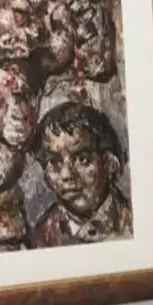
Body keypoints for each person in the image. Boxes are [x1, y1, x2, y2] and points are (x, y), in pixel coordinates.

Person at [31, 101, 134, 247]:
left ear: (108, 163)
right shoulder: (43, 233)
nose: (67, 175)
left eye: (82, 159)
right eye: (53, 162)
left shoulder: (132, 222)